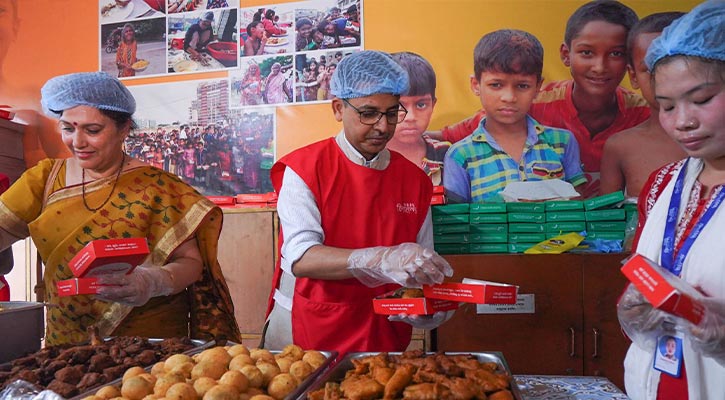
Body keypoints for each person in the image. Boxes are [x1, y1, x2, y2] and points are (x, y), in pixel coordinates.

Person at [0, 72, 241, 345]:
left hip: (149, 340)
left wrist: (153, 282)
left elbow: (192, 264)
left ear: (124, 129)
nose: (77, 142)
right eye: (68, 128)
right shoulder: (45, 178)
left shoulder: (159, 187)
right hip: (67, 337)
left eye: (92, 130)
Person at [263, 50, 454, 355]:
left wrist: (429, 306)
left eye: (392, 113)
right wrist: (380, 259)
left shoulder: (415, 180)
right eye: (368, 113)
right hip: (311, 334)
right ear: (338, 108)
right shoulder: (306, 169)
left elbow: (421, 264)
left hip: (385, 335)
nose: (382, 126)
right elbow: (302, 258)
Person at [616, 2, 725, 399]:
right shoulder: (664, 185)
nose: (683, 121)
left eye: (701, 99)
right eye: (666, 106)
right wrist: (635, 308)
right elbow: (644, 271)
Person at [437, 0, 649, 198]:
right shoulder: (531, 104)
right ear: (566, 54)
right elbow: (441, 135)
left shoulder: (646, 115)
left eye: (616, 54)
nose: (599, 67)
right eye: (586, 52)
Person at [443, 29, 587, 203]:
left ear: (538, 87)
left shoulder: (561, 142)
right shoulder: (460, 155)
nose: (509, 97)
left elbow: (579, 211)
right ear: (476, 85)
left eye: (522, 86)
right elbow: (456, 223)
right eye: (496, 85)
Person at [599, 12, 687, 199]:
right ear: (633, 76)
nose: (663, 77)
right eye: (650, 68)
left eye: (674, 64)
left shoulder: (718, 140)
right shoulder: (620, 147)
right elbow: (607, 222)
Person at [388, 52, 450, 186]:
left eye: (421, 105)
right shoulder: (366, 158)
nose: (410, 117)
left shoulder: (447, 156)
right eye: (398, 106)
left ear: (433, 105)